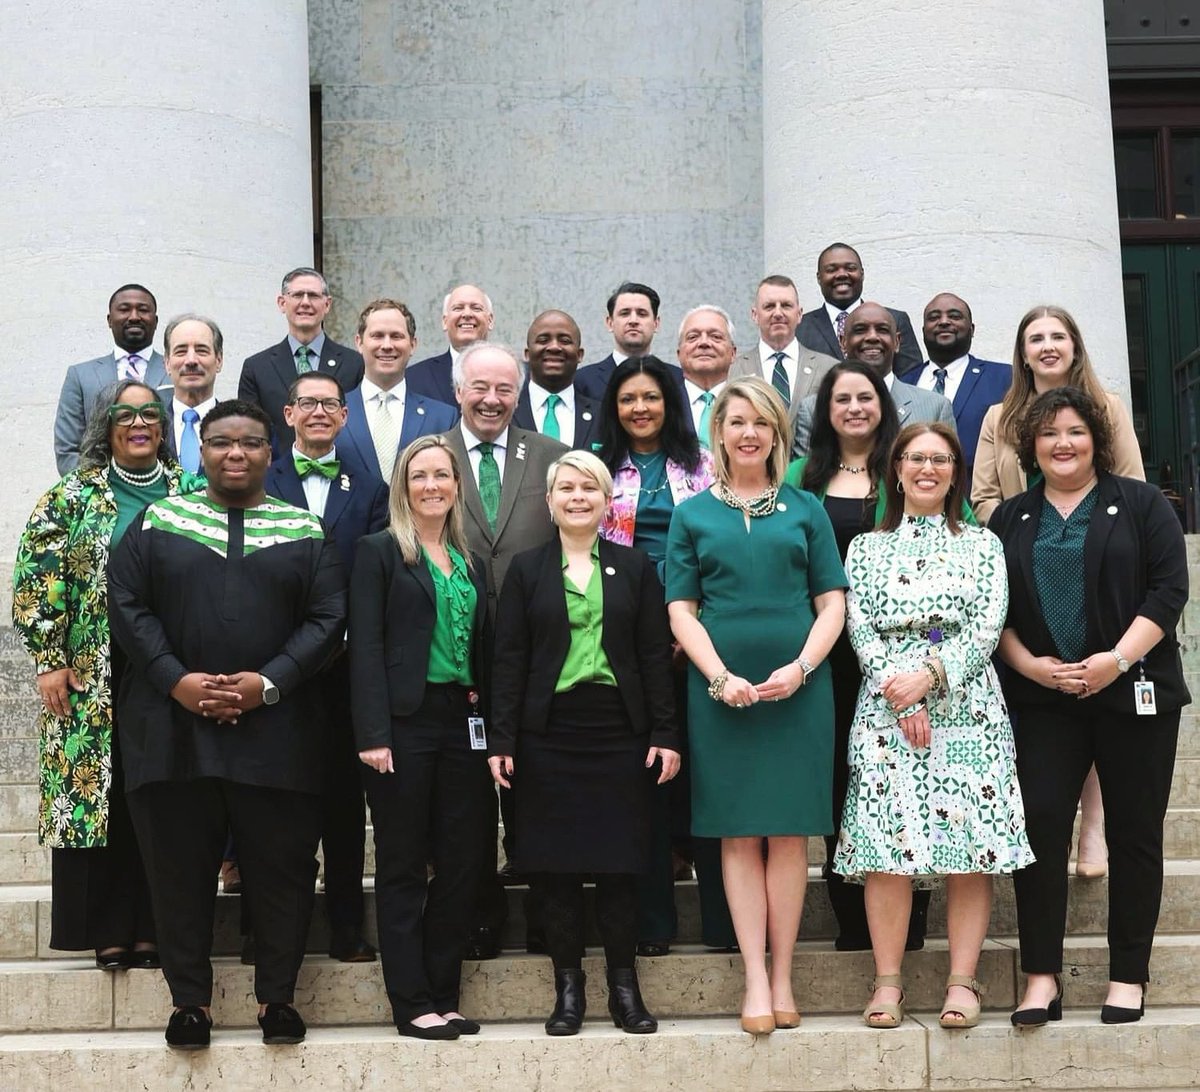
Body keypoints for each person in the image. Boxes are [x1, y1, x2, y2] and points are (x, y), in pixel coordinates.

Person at [108, 400, 346, 1050]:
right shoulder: (160, 521)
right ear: (201, 451)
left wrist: (267, 683)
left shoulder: (304, 529)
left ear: (272, 452)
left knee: (283, 871)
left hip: (279, 734)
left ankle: (278, 999)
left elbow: (328, 618)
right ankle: (190, 1002)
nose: (235, 453)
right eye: (221, 443)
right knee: (178, 871)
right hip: (172, 730)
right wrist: (177, 680)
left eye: (249, 443)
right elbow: (125, 602)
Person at [990, 387, 1188, 1027]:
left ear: (1096, 438)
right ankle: (1040, 977)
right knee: (1041, 828)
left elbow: (1168, 591)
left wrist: (1116, 662)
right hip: (1043, 700)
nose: (1062, 444)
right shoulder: (1012, 518)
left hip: (1133, 693)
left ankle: (1128, 975)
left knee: (1133, 835)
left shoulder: (1141, 504)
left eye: (1074, 431)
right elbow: (993, 612)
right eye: (1048, 435)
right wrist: (1029, 667)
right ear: (1031, 447)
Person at [834, 422, 1033, 1030]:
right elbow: (859, 626)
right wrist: (903, 693)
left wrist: (932, 676)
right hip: (885, 706)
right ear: (895, 468)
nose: (927, 468)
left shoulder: (982, 544)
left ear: (955, 471)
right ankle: (888, 981)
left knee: (969, 846)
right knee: (887, 848)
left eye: (940, 459)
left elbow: (987, 621)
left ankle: (963, 980)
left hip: (968, 707)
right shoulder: (865, 548)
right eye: (915, 458)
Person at [666, 376, 846, 1036]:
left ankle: (786, 974)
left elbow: (832, 603)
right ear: (719, 432)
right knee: (739, 835)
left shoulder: (805, 508)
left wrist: (801, 668)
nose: (748, 432)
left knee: (790, 835)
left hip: (798, 692)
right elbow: (680, 610)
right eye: (736, 421)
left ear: (776, 433)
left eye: (761, 422)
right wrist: (717, 677)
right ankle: (753, 978)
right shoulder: (691, 515)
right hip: (721, 693)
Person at [488, 451, 680, 1036]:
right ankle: (567, 993)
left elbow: (653, 657)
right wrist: (502, 739)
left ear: (606, 501)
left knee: (622, 866)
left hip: (620, 733)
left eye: (589, 488)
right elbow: (510, 659)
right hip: (547, 735)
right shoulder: (525, 569)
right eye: (565, 488)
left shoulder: (636, 566)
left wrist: (666, 733)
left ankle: (625, 992)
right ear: (548, 502)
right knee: (556, 869)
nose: (577, 497)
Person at [14, 380, 196, 970]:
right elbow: (38, 577)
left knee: (163, 795)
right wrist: (49, 658)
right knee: (106, 796)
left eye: (150, 414)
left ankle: (156, 928)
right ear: (105, 425)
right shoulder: (69, 496)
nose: (139, 423)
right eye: (126, 414)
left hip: (171, 672)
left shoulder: (192, 492)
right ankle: (109, 929)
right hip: (90, 673)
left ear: (165, 426)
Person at [973, 305, 1146, 879]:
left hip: (1099, 570)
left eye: (1057, 336)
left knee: (1097, 688)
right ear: (1021, 353)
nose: (1047, 346)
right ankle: (1054, 819)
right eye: (1035, 338)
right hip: (1026, 571)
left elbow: (1133, 485)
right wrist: (1028, 526)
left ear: (1074, 346)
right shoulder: (999, 416)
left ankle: (1093, 826)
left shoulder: (1107, 410)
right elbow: (982, 495)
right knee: (1050, 707)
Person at [783, 361, 930, 953]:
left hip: (901, 664)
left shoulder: (910, 466)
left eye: (865, 397)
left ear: (883, 404)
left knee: (904, 782)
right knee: (841, 779)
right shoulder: (800, 474)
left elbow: (955, 543)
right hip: (823, 654)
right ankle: (850, 915)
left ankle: (910, 918)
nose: (854, 408)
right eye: (841, 398)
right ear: (825, 411)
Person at [349, 435, 491, 1041]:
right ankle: (410, 1002)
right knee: (405, 865)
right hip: (402, 725)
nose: (431, 485)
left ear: (458, 486)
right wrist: (373, 732)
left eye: (442, 475)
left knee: (464, 862)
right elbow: (367, 648)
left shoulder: (470, 561)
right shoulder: (379, 553)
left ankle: (444, 994)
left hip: (463, 722)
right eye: (419, 476)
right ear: (403, 488)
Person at [596, 355, 734, 955]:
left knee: (705, 782)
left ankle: (723, 925)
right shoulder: (597, 469)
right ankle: (653, 922)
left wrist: (690, 629)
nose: (641, 408)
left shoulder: (705, 466)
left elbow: (723, 550)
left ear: (670, 403)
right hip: (622, 640)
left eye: (651, 396)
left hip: (701, 638)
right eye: (629, 399)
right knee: (643, 783)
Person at [440, 342, 567, 959]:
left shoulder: (551, 456)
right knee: (465, 795)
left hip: (535, 650)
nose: (492, 400)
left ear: (520, 394)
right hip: (454, 650)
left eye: (505, 390)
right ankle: (478, 917)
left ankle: (547, 916)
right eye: (480, 388)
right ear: (459, 388)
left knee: (535, 784)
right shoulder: (429, 458)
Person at [265, 371, 390, 962]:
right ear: (287, 413)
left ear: (345, 417)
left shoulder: (367, 487)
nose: (318, 412)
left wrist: (342, 637)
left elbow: (372, 575)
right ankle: (266, 932)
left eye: (329, 405)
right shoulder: (260, 478)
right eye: (306, 402)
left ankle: (346, 926)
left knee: (343, 806)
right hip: (272, 670)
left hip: (342, 669)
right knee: (278, 806)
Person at [793, 302, 955, 457]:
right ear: (843, 342)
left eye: (882, 330)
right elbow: (805, 479)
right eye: (860, 330)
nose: (872, 337)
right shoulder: (813, 410)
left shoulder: (936, 408)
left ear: (897, 342)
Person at [238, 267, 365, 457]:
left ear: (327, 304)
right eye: (297, 295)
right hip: (277, 479)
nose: (305, 302)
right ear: (282, 303)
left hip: (342, 473)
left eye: (313, 296)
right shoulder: (256, 368)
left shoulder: (355, 364)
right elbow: (250, 432)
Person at [337, 299, 458, 486]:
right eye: (377, 336)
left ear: (413, 344)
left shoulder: (443, 417)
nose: (387, 345)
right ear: (359, 343)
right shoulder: (333, 412)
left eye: (396, 336)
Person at [896, 292, 1011, 481]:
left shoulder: (1004, 378)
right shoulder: (903, 382)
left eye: (954, 316)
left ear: (972, 329)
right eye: (934, 318)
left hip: (976, 500)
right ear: (924, 330)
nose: (943, 322)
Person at [54, 284, 167, 474]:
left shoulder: (178, 370)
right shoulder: (80, 376)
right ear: (109, 319)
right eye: (124, 309)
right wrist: (100, 493)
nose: (134, 316)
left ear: (155, 321)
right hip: (99, 496)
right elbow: (67, 450)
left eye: (143, 310)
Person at [796, 244, 922, 376]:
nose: (841, 274)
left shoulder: (895, 320)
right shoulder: (800, 327)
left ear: (862, 274)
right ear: (819, 277)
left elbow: (911, 378)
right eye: (831, 269)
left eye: (850, 268)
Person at [729, 274, 838, 416]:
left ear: (799, 314)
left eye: (786, 306)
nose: (778, 313)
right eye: (769, 306)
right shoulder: (734, 370)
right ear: (755, 315)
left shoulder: (828, 368)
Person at [514, 310, 601, 451]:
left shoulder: (603, 416)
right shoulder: (507, 411)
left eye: (565, 341)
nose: (554, 347)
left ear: (580, 355)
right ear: (527, 354)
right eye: (543, 340)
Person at [574, 282, 672, 401]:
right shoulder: (582, 381)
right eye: (625, 313)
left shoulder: (677, 379)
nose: (633, 321)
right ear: (610, 323)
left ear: (656, 324)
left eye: (642, 314)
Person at [406, 284, 496, 405]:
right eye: (458, 308)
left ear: (490, 321)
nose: (467, 314)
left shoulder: (511, 373)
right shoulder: (415, 377)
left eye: (476, 308)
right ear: (445, 322)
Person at [159, 314, 223, 473]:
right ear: (167, 363)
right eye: (181, 351)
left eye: (201, 351)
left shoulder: (240, 427)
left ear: (219, 361)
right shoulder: (150, 428)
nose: (191, 360)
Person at [677, 306, 737, 445]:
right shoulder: (663, 404)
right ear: (679, 354)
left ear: (733, 353)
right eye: (692, 337)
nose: (704, 343)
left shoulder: (750, 403)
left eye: (716, 337)